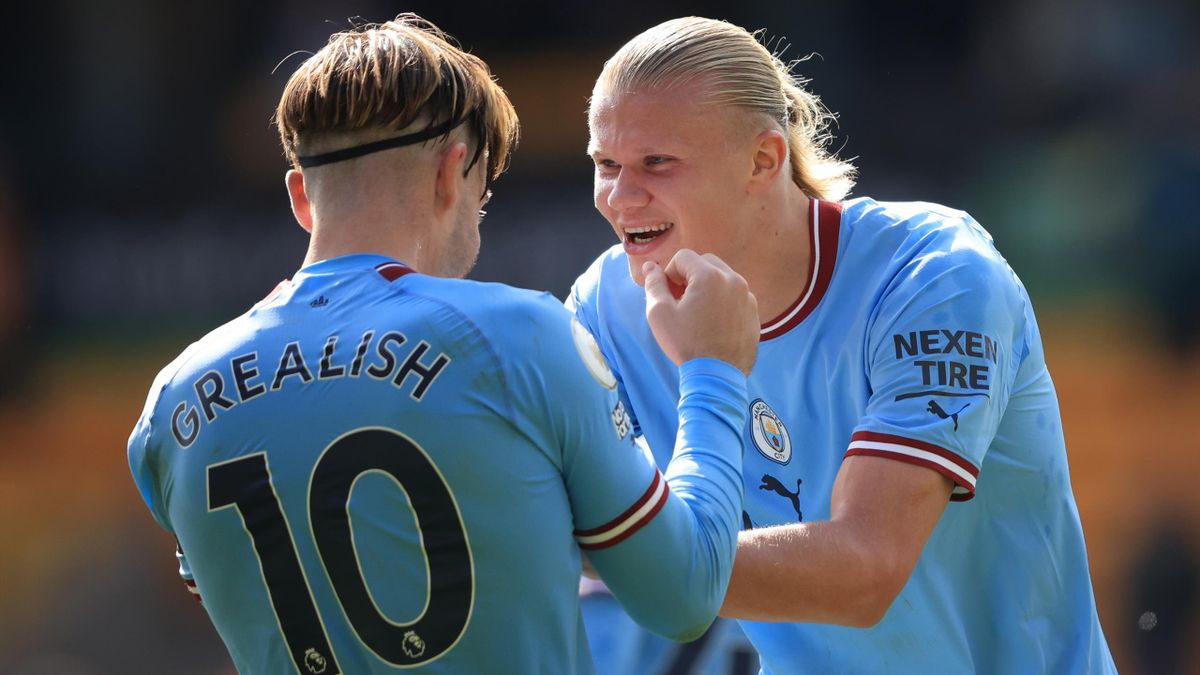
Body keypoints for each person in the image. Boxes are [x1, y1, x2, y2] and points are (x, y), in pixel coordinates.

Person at [127, 14, 762, 674]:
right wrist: (712, 368)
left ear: (301, 198)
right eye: (481, 192)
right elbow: (685, 593)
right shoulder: (519, 336)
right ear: (450, 172)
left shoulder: (171, 408)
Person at [570, 16, 1118, 674]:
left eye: (657, 162)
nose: (620, 197)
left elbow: (864, 570)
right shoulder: (606, 305)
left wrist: (653, 556)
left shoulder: (936, 274)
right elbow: (547, 519)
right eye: (606, 164)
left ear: (763, 160)